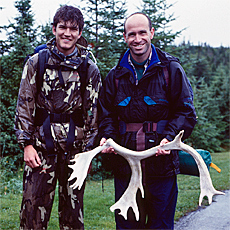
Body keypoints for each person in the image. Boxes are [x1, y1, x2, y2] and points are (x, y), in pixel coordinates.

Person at [98, 12, 197, 229]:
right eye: (132, 34)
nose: (138, 38)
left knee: (160, 225)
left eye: (142, 32)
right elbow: (105, 116)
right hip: (126, 168)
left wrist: (169, 139)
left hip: (162, 167)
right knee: (127, 226)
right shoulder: (115, 76)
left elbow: (186, 112)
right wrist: (108, 139)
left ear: (151, 33)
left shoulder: (171, 70)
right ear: (125, 37)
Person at [14, 5, 101, 229]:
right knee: (32, 216)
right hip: (40, 150)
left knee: (73, 217)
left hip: (75, 153)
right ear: (54, 29)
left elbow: (93, 113)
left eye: (73, 29)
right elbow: (25, 104)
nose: (67, 33)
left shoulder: (88, 68)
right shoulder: (37, 62)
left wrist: (89, 154)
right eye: (62, 27)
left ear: (79, 33)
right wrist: (26, 145)